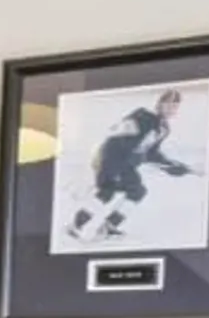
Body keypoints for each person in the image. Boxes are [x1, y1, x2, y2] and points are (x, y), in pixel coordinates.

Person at [72, 89, 196, 241]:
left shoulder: (163, 128)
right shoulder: (142, 116)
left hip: (126, 165)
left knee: (137, 191)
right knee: (107, 191)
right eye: (168, 104)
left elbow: (151, 153)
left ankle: (109, 226)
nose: (171, 109)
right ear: (160, 104)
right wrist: (126, 159)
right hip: (112, 159)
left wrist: (172, 166)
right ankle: (76, 225)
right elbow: (117, 138)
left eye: (175, 106)